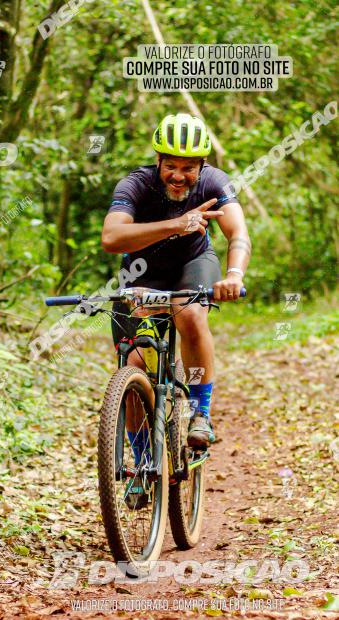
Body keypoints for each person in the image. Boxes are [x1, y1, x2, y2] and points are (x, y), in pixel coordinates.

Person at [101, 112, 251, 448]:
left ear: (202, 165)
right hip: (142, 275)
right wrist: (177, 224)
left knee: (191, 313)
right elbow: (111, 238)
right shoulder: (136, 184)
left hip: (194, 264)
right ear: (158, 161)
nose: (178, 176)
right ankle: (140, 461)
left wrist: (233, 275)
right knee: (135, 365)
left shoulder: (215, 182)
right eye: (171, 166)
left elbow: (238, 232)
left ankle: (200, 413)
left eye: (188, 168)